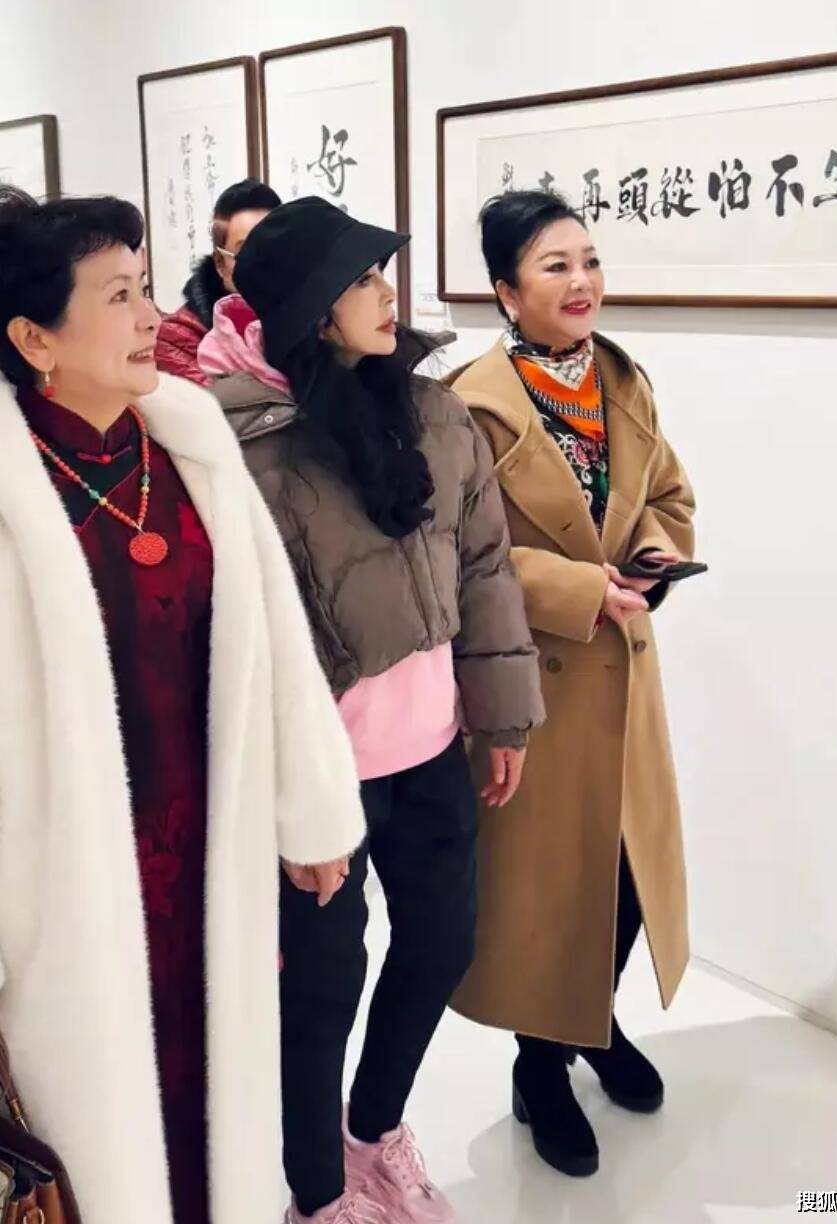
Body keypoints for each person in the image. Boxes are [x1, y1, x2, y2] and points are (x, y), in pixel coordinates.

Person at [0, 186, 365, 1224]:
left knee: (217, 1100)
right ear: (34, 337)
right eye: (117, 296)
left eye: (147, 286)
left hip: (208, 840)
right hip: (63, 875)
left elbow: (276, 638)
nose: (152, 317)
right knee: (97, 1125)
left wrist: (310, 810)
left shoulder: (188, 440)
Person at [200, 196, 545, 1224]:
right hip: (319, 779)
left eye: (381, 272)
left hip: (431, 749)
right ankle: (317, 1194)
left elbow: (483, 565)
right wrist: (275, 797)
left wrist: (502, 713)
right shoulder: (235, 444)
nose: (387, 294)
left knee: (442, 943)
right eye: (360, 281)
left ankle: (374, 1132)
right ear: (312, 308)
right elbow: (231, 641)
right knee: (319, 996)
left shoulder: (431, 410)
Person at [447, 189, 697, 1178]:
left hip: (623, 676)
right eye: (555, 266)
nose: (582, 280)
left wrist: (652, 555)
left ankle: (593, 1022)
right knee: (544, 892)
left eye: (588, 260)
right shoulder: (468, 403)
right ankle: (538, 1064)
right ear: (507, 292)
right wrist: (578, 588)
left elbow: (667, 495)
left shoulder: (621, 379)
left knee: (627, 880)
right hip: (532, 682)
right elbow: (459, 554)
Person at [155, 177, 280, 384]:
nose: (264, 264)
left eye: (274, 248)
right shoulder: (178, 338)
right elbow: (222, 403)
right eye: (246, 252)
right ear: (220, 263)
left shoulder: (310, 319)